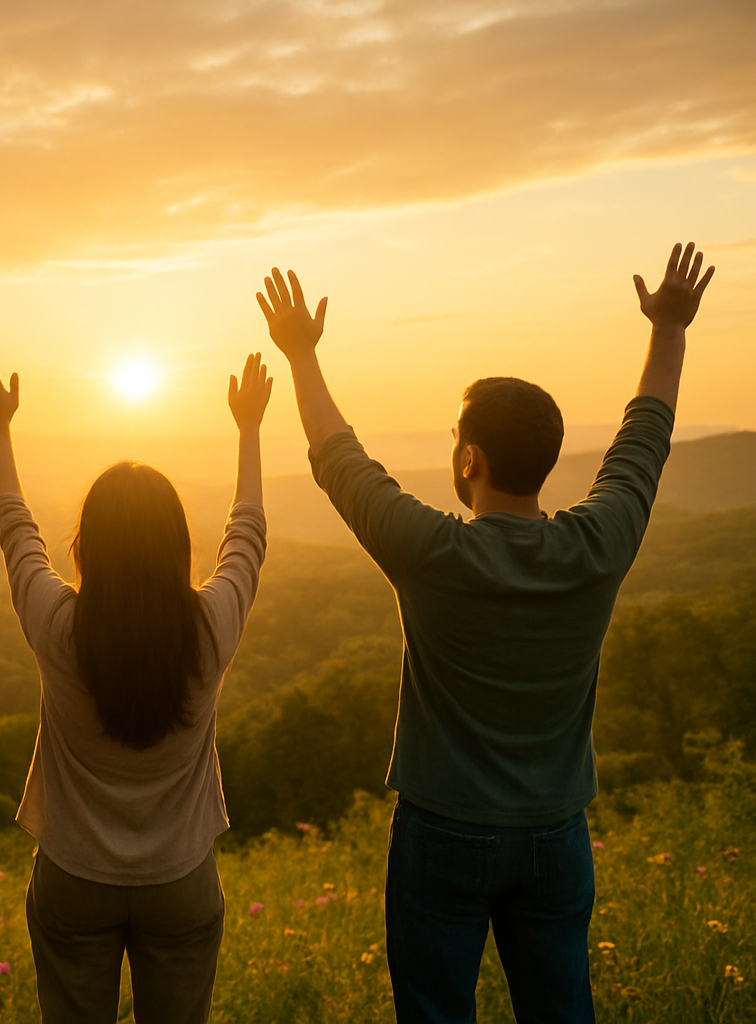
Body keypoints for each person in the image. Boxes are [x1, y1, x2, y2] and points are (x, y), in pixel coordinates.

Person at [254, 243, 716, 1023]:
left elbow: (340, 458)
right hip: (555, 834)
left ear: (469, 457)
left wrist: (300, 354)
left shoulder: (433, 553)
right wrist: (668, 330)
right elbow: (645, 440)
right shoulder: (598, 546)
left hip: (442, 833)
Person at [0, 349, 271, 1023]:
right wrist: (248, 429)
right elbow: (246, 535)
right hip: (180, 879)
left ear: (87, 545)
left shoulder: (58, 625)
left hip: (73, 876)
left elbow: (17, 531)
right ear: (176, 544)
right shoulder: (211, 625)